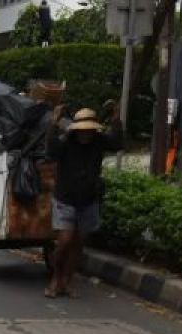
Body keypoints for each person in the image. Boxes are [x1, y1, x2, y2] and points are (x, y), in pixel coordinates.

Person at [46, 103, 122, 299]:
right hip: (65, 198)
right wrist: (54, 122)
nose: (86, 134)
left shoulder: (99, 141)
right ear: (76, 130)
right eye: (83, 131)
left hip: (88, 199)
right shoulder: (66, 141)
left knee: (78, 245)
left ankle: (68, 280)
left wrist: (116, 118)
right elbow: (51, 150)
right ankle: (56, 277)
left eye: (89, 130)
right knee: (64, 241)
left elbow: (117, 143)